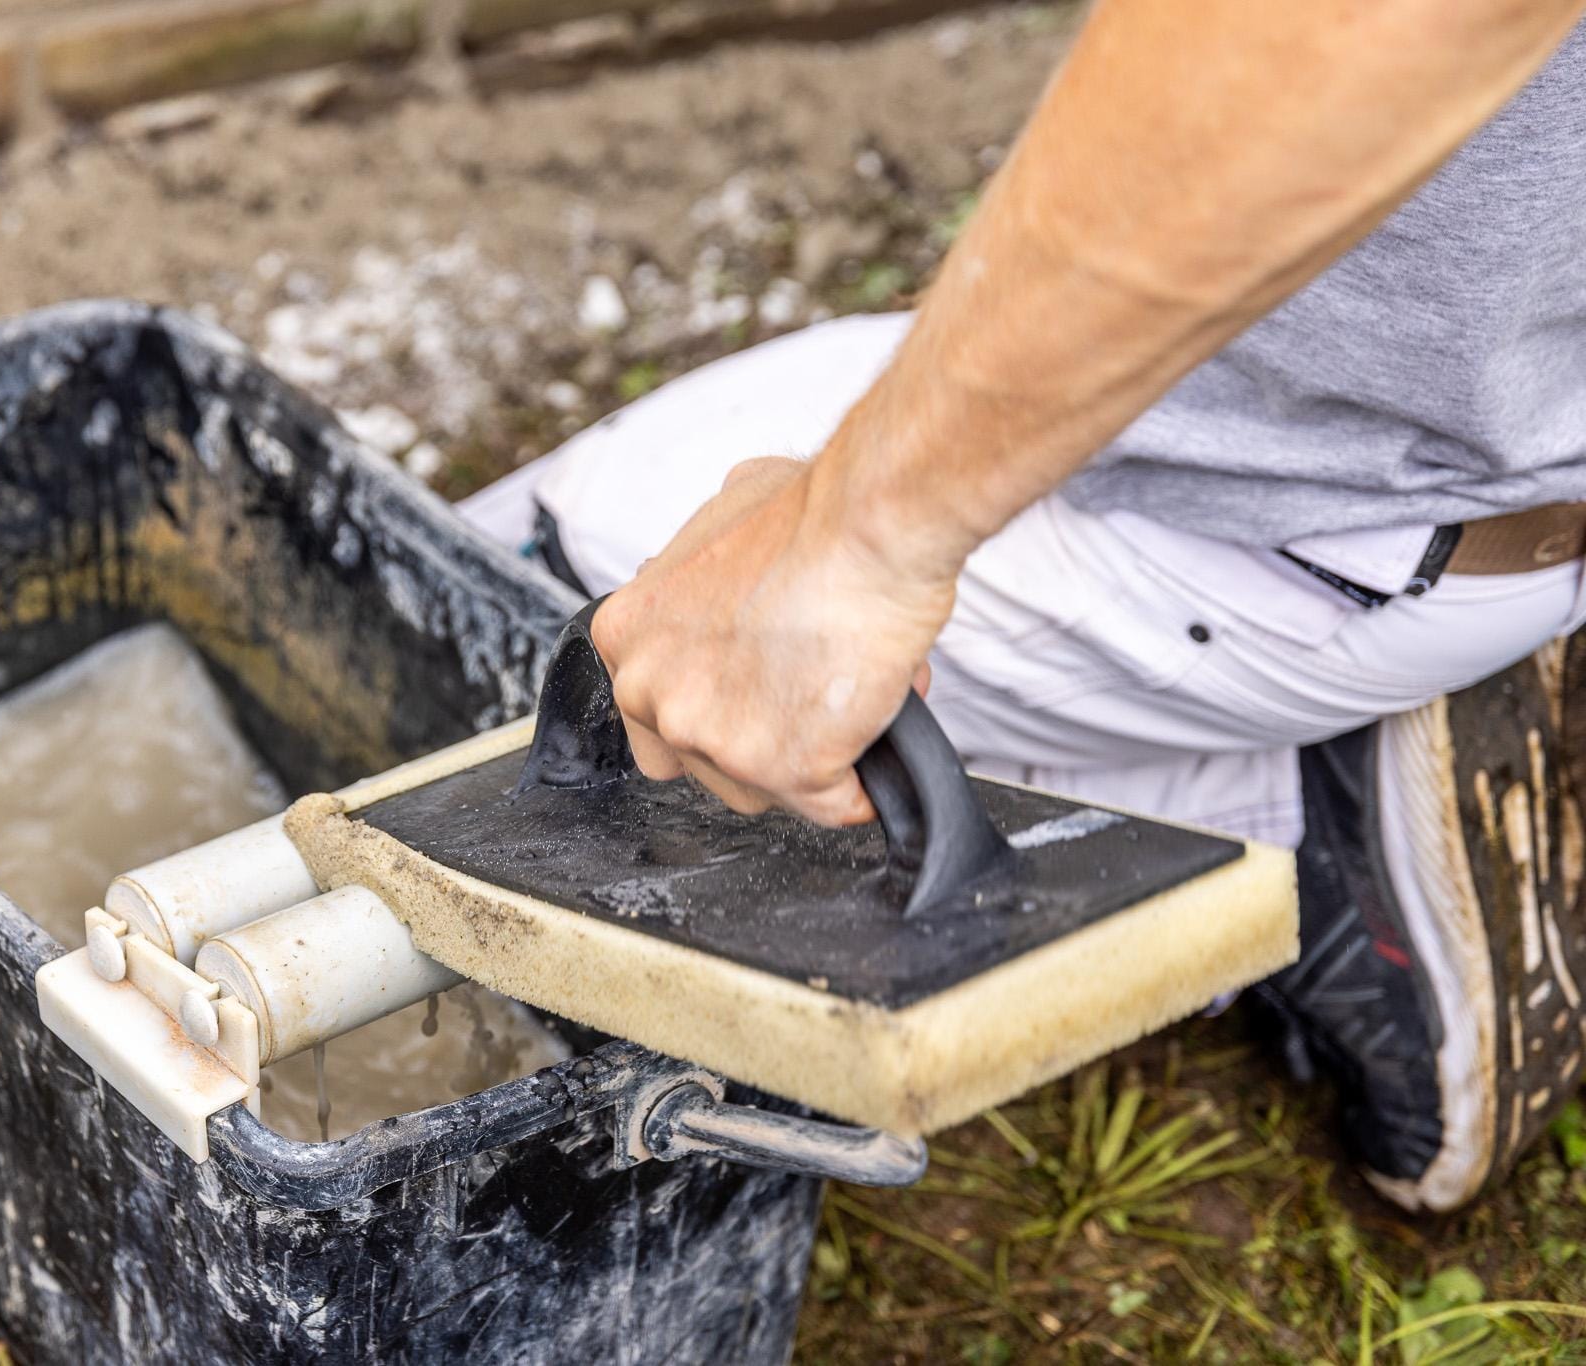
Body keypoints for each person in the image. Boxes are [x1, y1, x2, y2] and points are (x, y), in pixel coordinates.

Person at [458, 0, 1586, 1212]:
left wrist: (849, 543)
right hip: (1499, 435)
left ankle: (1286, 814)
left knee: (568, 568)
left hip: (1315, 516)